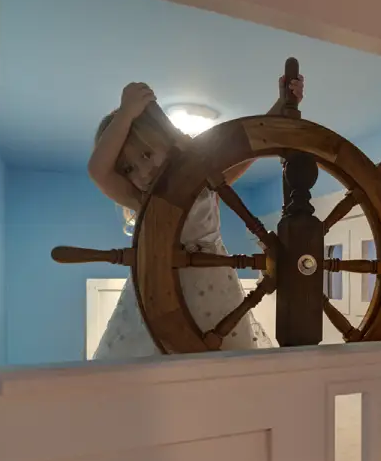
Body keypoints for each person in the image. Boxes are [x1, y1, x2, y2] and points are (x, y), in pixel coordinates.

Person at [88, 76, 304, 359]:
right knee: (148, 374)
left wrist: (285, 103)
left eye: (146, 153)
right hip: (157, 297)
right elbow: (99, 171)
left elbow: (250, 148)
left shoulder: (207, 184)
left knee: (226, 370)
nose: (142, 171)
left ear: (167, 143)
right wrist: (125, 113)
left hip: (217, 298)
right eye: (128, 168)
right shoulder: (143, 200)